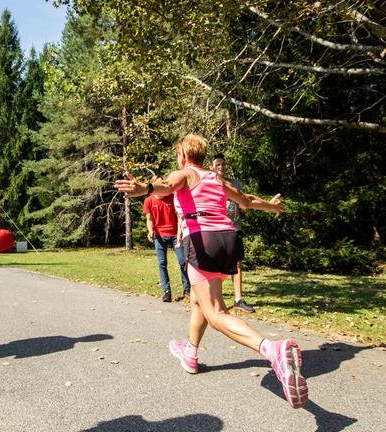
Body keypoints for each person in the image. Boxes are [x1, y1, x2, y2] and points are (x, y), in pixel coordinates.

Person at [115, 134, 307, 409]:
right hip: (227, 240)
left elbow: (167, 184)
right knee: (199, 300)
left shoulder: (186, 173)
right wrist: (272, 206)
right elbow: (246, 200)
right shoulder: (216, 178)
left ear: (182, 154)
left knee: (216, 312)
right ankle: (190, 353)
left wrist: (145, 187)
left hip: (202, 239)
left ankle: (272, 350)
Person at [211, 153, 254, 313]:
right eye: (217, 165)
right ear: (212, 167)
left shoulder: (235, 183)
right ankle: (216, 299)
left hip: (235, 228)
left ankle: (238, 300)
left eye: (223, 164)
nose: (221, 167)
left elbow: (244, 204)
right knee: (217, 265)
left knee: (237, 263)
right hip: (217, 229)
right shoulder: (210, 183)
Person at [143, 191, 190, 302]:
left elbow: (179, 216)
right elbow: (149, 219)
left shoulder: (173, 197)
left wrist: (180, 233)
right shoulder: (149, 200)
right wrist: (150, 231)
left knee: (183, 261)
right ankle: (167, 292)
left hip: (175, 234)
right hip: (159, 236)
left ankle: (187, 290)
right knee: (162, 263)